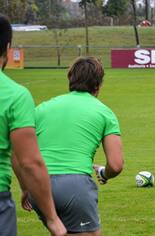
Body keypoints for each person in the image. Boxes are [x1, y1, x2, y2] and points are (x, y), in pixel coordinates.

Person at [19, 57, 124, 235]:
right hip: (74, 186)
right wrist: (103, 173)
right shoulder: (104, 113)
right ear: (98, 85)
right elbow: (116, 165)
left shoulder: (42, 108)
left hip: (39, 186)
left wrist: (25, 187)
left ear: (70, 79)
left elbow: (19, 151)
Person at [0, 14, 66, 236]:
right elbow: (28, 161)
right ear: (8, 48)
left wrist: (26, 186)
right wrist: (52, 218)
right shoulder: (15, 95)